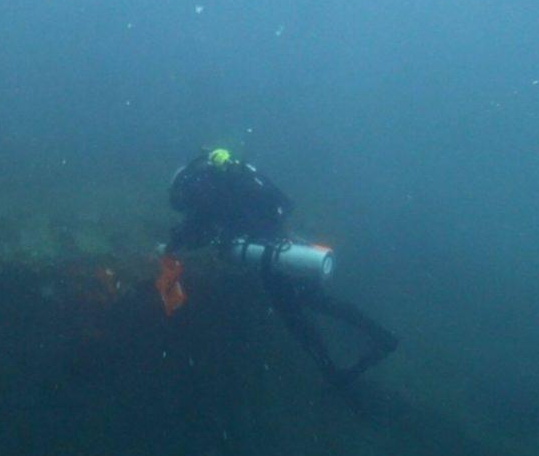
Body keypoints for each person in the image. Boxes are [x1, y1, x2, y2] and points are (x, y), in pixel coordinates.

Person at [158, 147, 398, 386]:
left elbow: (196, 227)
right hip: (281, 238)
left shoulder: (200, 188)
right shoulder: (228, 181)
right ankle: (376, 335)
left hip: (269, 251)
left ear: (183, 185)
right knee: (317, 300)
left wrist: (170, 244)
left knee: (294, 316)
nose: (183, 204)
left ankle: (333, 369)